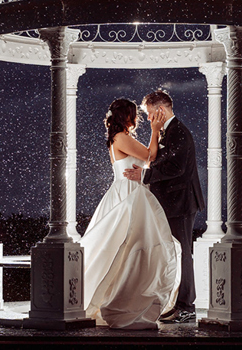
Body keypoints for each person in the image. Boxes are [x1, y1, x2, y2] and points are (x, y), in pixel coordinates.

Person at [80, 98, 180, 329]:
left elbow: (146, 160)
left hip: (132, 191)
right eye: (134, 114)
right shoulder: (121, 138)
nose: (137, 118)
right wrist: (155, 131)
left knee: (135, 247)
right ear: (128, 116)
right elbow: (149, 156)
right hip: (128, 195)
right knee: (130, 246)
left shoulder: (121, 137)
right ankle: (124, 302)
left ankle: (134, 298)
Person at [123, 90, 204, 324]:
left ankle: (187, 307)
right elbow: (160, 159)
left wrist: (144, 175)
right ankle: (176, 303)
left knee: (184, 254)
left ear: (161, 110)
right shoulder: (167, 131)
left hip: (181, 203)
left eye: (149, 114)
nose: (148, 118)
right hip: (171, 202)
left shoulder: (179, 132)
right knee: (174, 253)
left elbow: (176, 168)